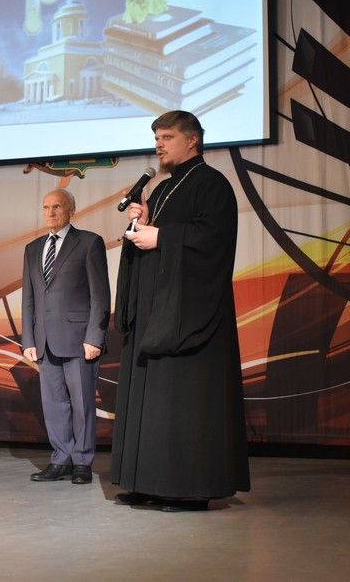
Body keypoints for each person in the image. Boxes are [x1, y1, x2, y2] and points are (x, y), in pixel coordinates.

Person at [110, 110, 250, 511]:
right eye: (156, 138)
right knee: (150, 400)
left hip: (188, 316)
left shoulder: (212, 184)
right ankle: (147, 481)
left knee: (182, 402)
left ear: (192, 140)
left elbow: (214, 239)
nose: (159, 145)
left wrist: (162, 236)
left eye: (167, 137)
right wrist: (144, 223)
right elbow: (155, 243)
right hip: (156, 311)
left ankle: (188, 489)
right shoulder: (161, 190)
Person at [22, 188, 110, 484]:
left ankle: (82, 461)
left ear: (71, 210)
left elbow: (100, 295)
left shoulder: (89, 243)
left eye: (57, 207)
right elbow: (29, 299)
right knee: (54, 404)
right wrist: (28, 339)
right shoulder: (33, 248)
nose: (50, 213)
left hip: (79, 341)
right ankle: (61, 459)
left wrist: (95, 337)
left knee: (82, 403)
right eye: (46, 207)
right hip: (45, 341)